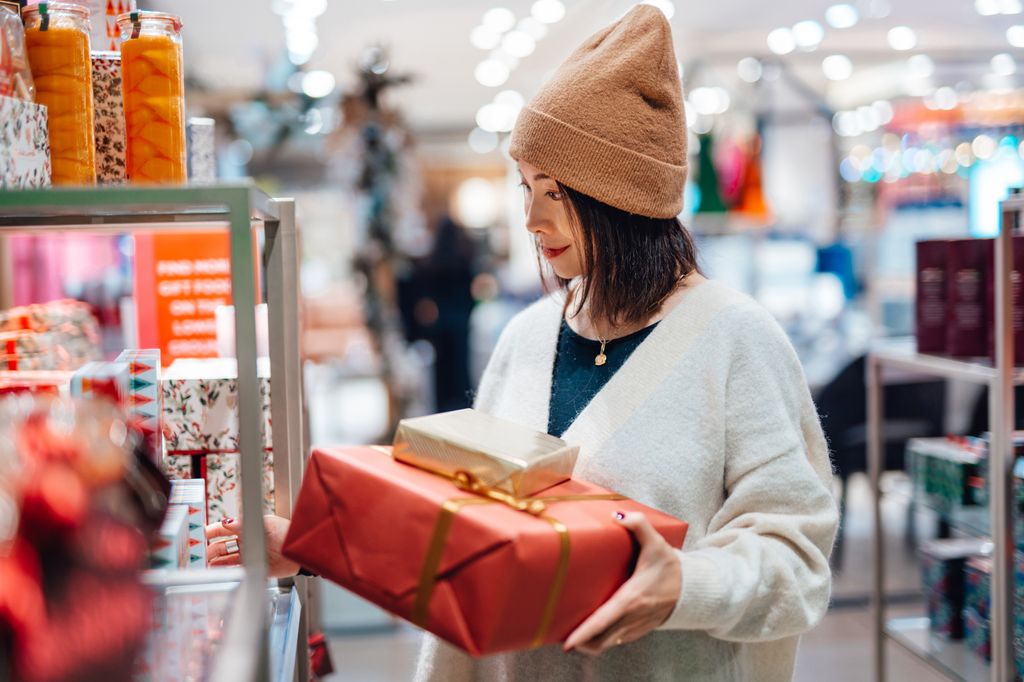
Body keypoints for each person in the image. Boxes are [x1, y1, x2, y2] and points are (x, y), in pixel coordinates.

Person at [207, 6, 837, 681]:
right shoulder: (529, 336)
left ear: (618, 198)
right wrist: (313, 548)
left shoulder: (735, 342)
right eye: (526, 189)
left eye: (555, 192)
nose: (532, 220)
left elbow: (796, 560)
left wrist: (684, 585)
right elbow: (468, 542)